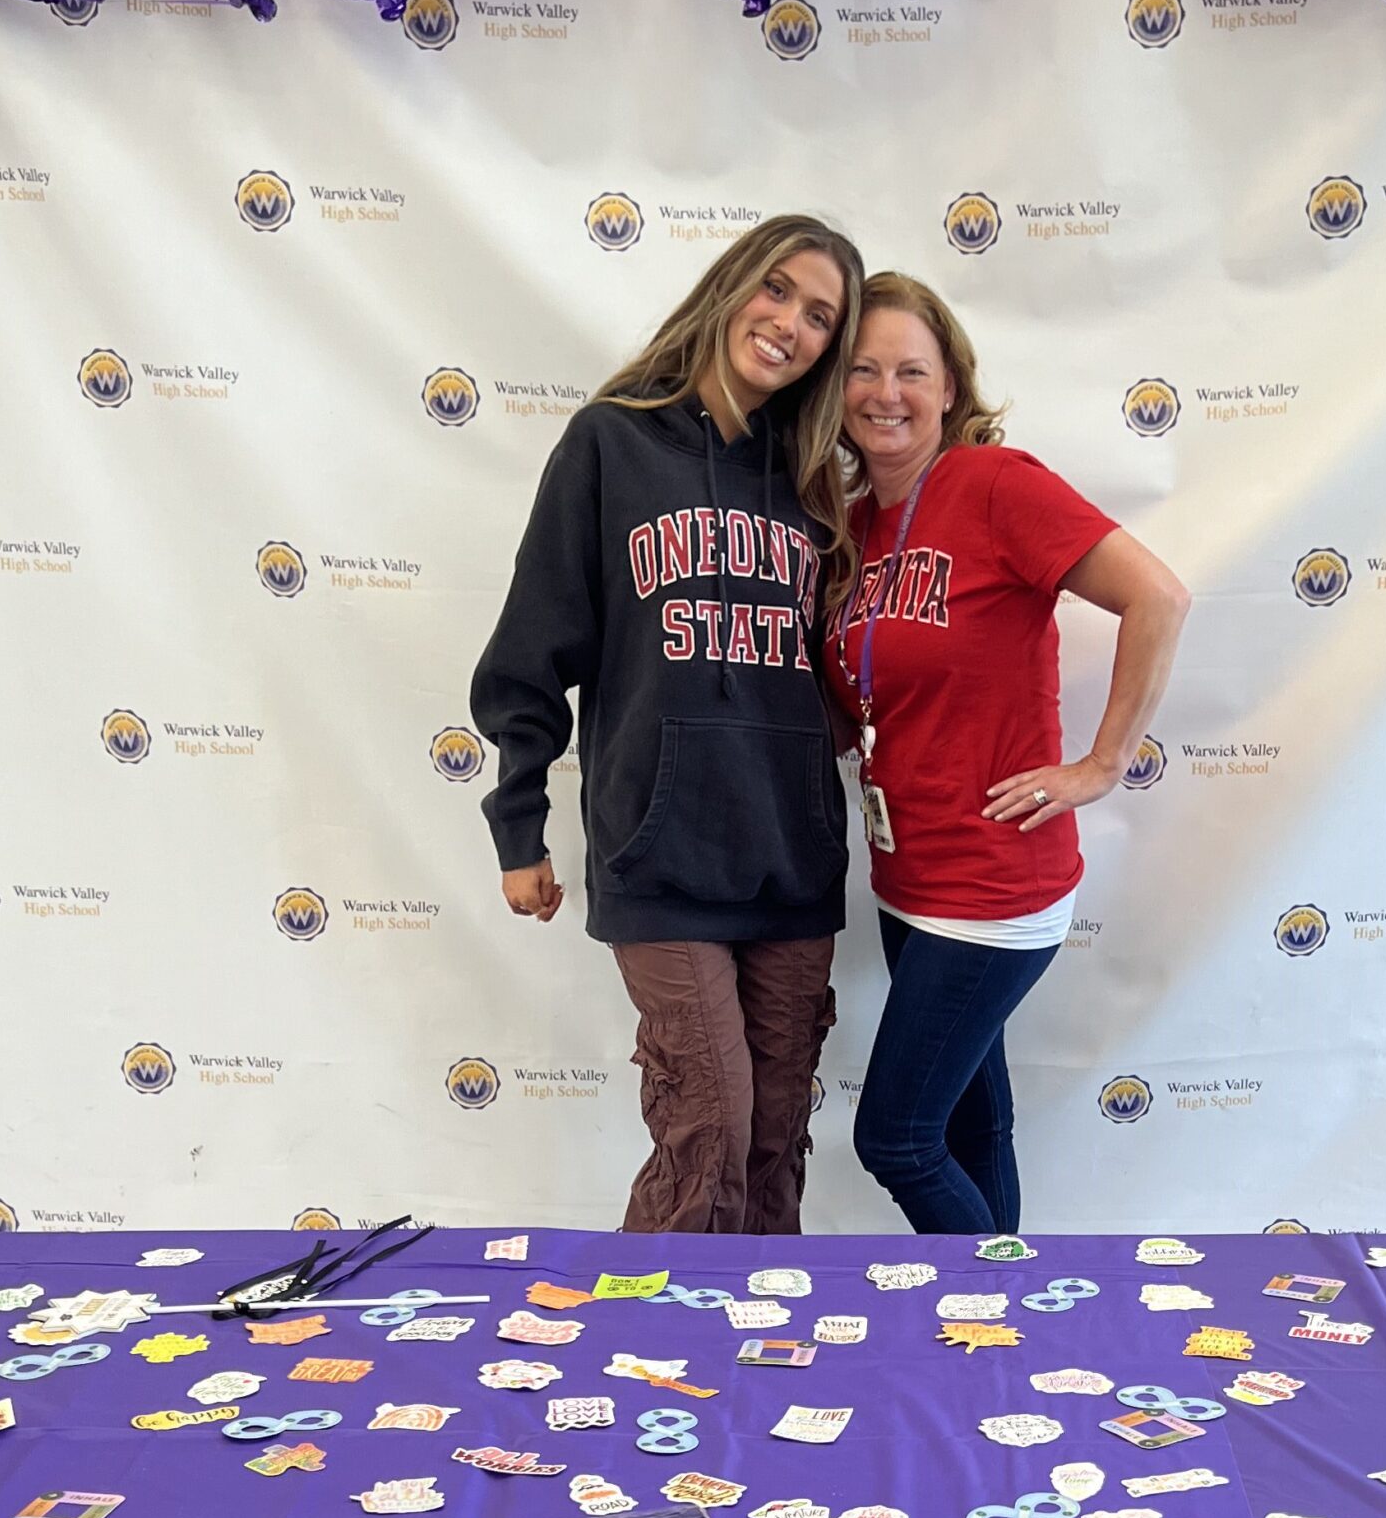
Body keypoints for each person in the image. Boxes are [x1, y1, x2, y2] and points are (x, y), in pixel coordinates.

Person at [472, 215, 866, 1234]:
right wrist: (520, 827)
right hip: (662, 851)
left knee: (774, 1136)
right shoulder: (611, 441)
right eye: (776, 290)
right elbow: (531, 650)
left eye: (820, 316)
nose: (789, 323)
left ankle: (762, 1349)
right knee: (710, 1129)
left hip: (791, 856)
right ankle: (649, 1356)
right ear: (731, 285)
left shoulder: (816, 475)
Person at [814, 272, 1190, 1235]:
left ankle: (998, 1309)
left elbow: (1158, 597)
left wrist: (1102, 764)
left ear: (950, 388)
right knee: (976, 1125)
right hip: (907, 879)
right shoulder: (856, 528)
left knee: (894, 1138)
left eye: (911, 370)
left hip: (992, 884)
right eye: (862, 369)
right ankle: (1000, 1340)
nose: (885, 392)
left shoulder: (995, 485)